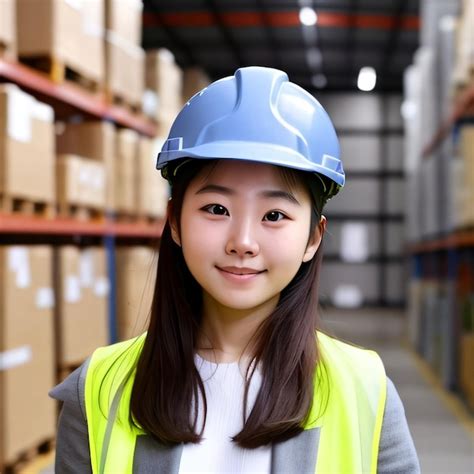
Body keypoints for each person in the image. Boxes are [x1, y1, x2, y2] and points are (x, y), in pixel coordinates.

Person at [50, 66, 420, 473]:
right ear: (174, 221)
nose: (242, 241)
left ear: (313, 238)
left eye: (274, 214)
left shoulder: (366, 394)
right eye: (216, 209)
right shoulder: (100, 390)